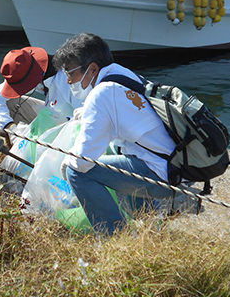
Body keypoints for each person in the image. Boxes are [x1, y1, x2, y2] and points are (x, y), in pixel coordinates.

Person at [54, 33, 176, 235]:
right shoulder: (122, 74)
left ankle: (117, 238)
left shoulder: (100, 95)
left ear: (92, 69)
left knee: (75, 172)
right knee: (121, 154)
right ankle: (150, 228)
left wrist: (66, 162)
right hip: (173, 166)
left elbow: (83, 161)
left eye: (70, 73)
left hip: (159, 174)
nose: (67, 81)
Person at [0, 46, 83, 145]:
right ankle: (17, 148)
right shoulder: (25, 69)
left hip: (71, 124)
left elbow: (87, 116)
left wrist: (63, 125)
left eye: (20, 87)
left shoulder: (69, 80)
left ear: (32, 79)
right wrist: (10, 126)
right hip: (52, 113)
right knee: (11, 103)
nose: (19, 90)